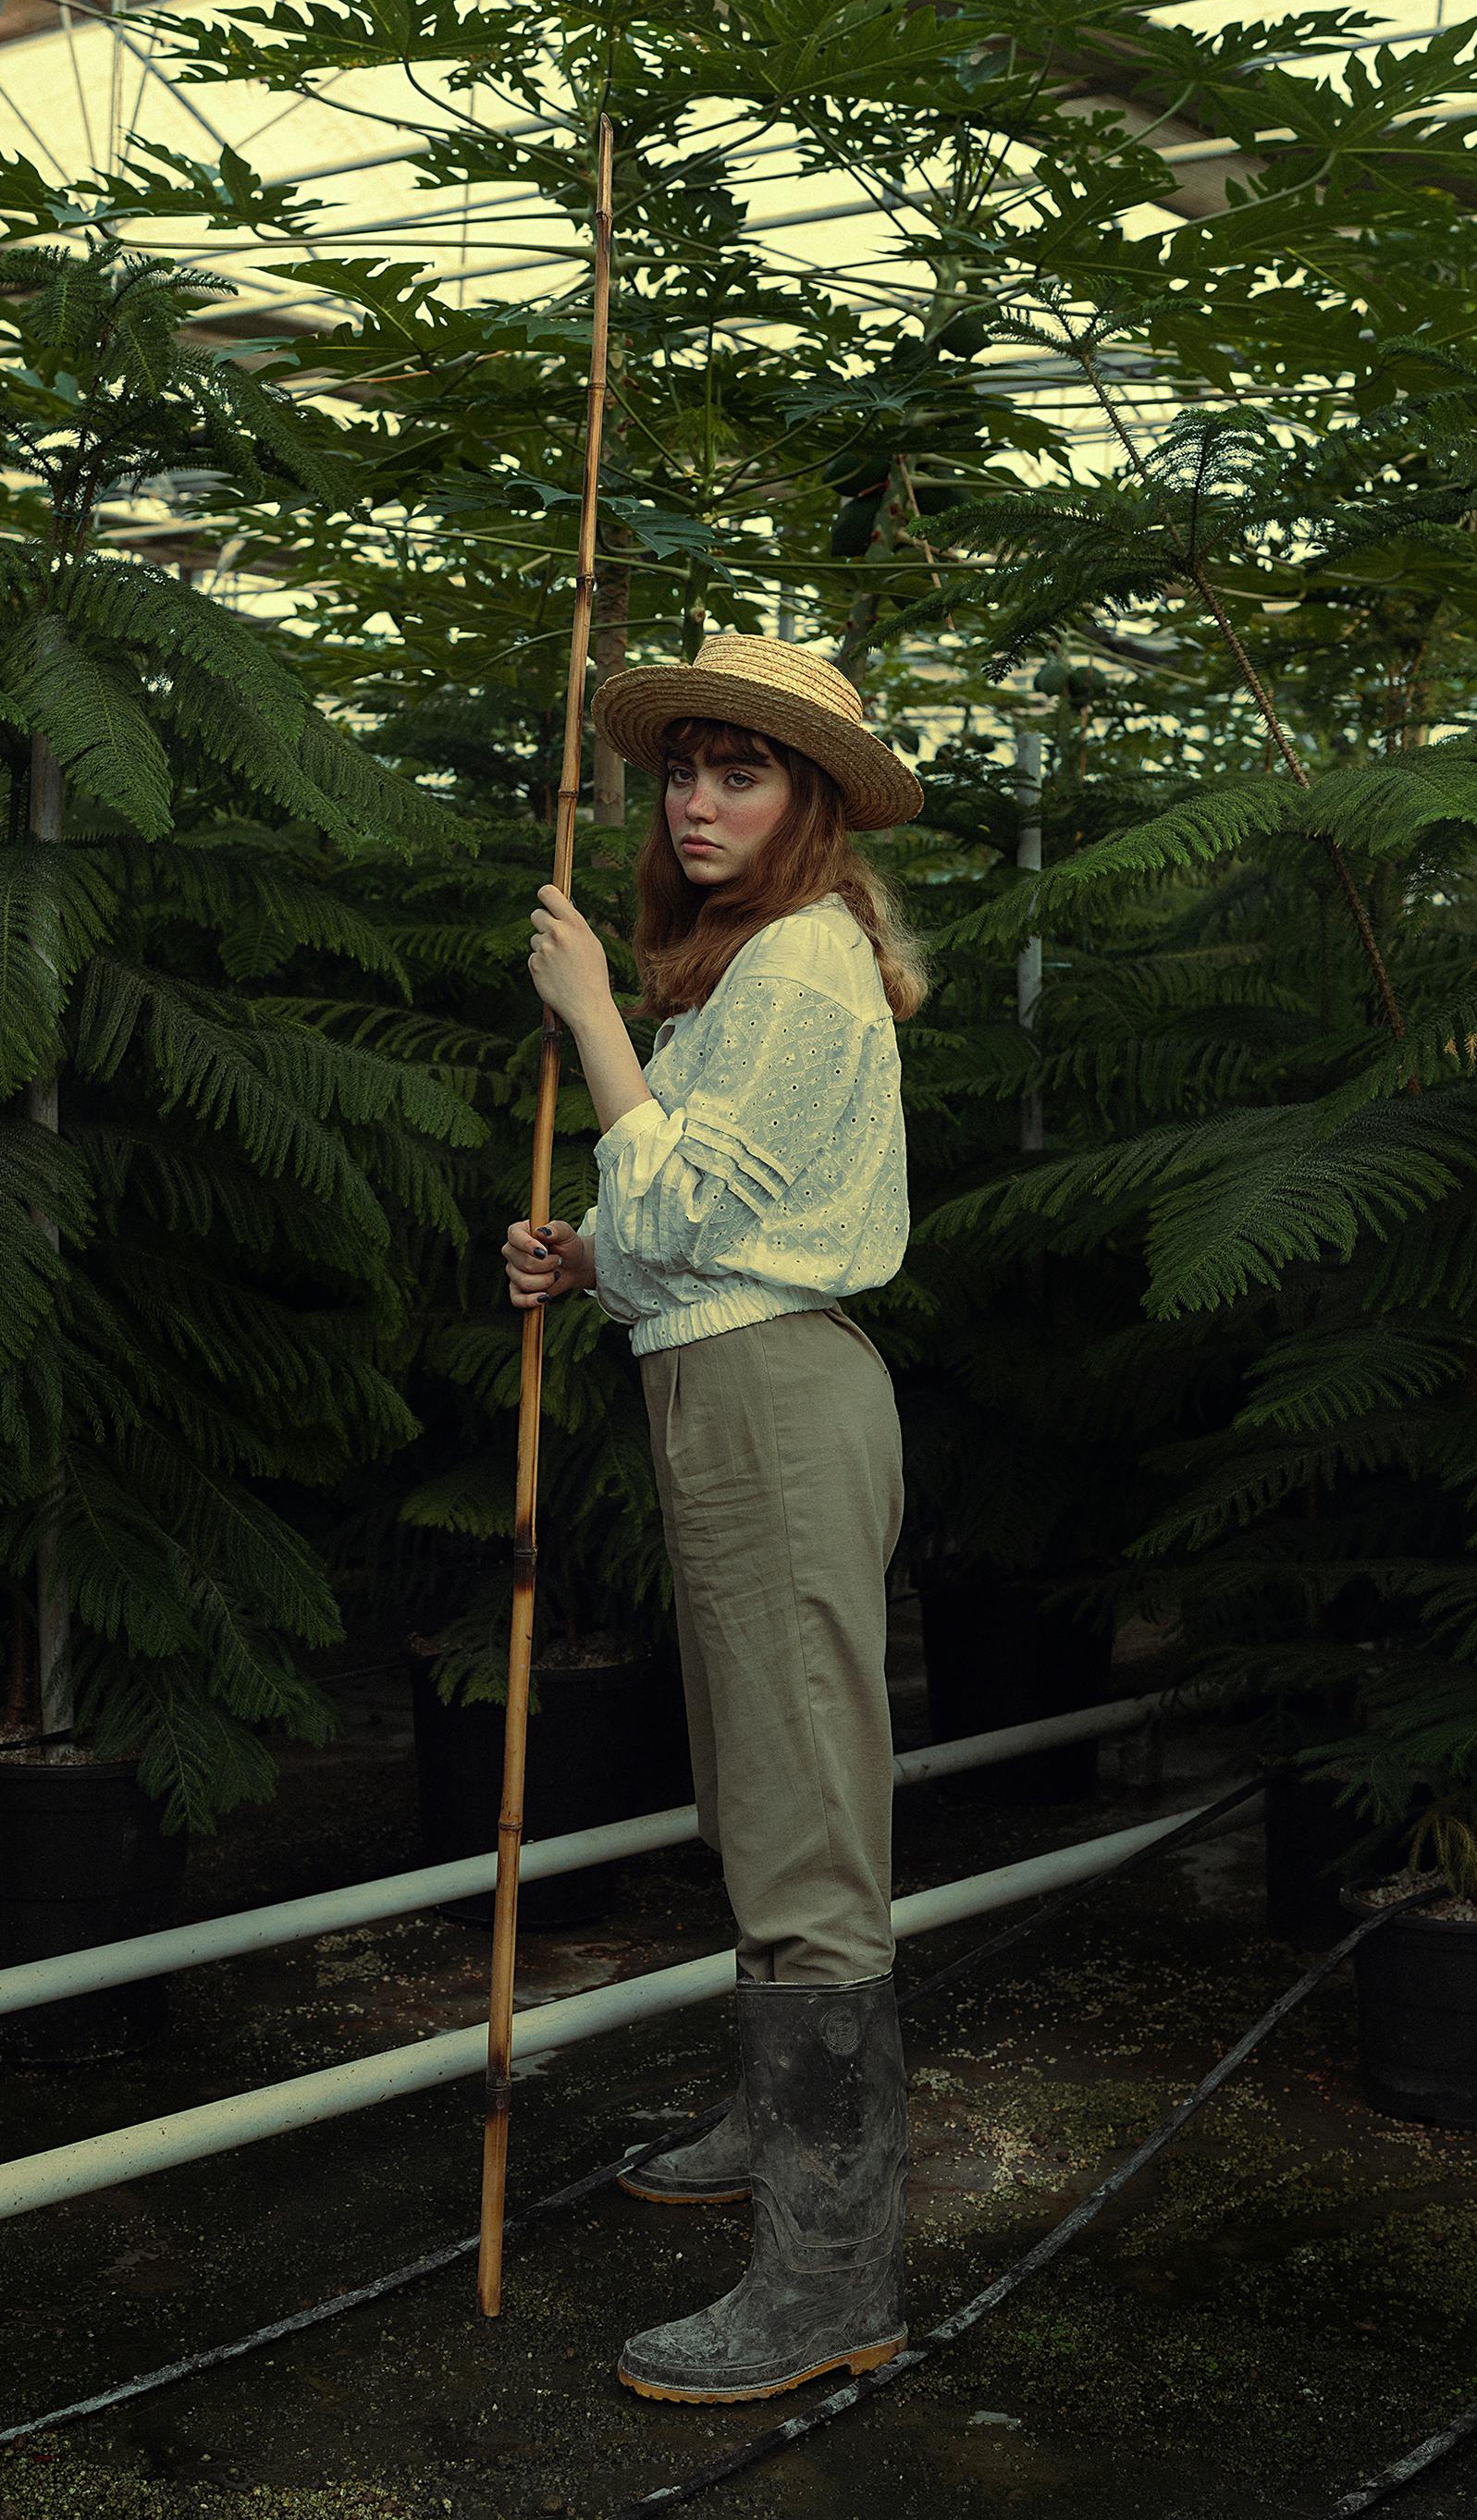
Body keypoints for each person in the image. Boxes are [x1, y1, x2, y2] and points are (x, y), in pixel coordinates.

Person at [498, 631, 929, 2405]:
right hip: (732, 1382)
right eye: (680, 768)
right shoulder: (754, 971)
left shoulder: (802, 967)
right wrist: (589, 1256)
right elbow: (686, 1237)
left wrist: (594, 1017)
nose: (693, 799)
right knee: (755, 1773)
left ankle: (834, 2271)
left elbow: (688, 1215)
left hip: (776, 1405)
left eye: (737, 773)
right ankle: (779, 2120)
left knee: (805, 1802)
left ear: (809, 803)